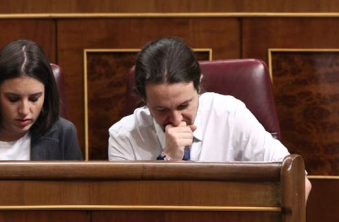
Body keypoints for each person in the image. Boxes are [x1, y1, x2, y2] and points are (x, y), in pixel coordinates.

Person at [108, 37, 311, 199]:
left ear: (199, 85)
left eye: (184, 106)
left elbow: (298, 183)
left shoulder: (230, 114)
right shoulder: (123, 136)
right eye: (162, 109)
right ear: (144, 98)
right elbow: (126, 213)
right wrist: (168, 158)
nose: (177, 120)